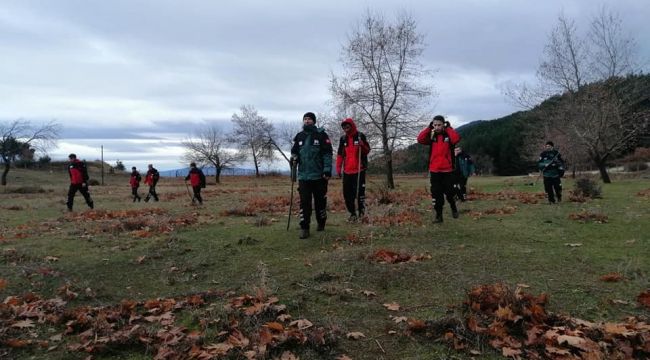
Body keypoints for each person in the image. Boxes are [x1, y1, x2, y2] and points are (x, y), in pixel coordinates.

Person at [290, 112, 333, 239]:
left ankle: (321, 222)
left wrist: (327, 170)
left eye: (309, 119)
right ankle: (304, 228)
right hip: (304, 176)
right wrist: (294, 158)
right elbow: (294, 152)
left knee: (320, 202)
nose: (307, 121)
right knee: (304, 203)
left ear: (314, 121)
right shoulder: (299, 136)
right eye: (305, 119)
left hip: (319, 176)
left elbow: (327, 154)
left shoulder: (321, 135)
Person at [417, 115, 461, 223]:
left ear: (443, 124)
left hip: (447, 170)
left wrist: (448, 128)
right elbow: (420, 139)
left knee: (450, 193)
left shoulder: (448, 135)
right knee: (437, 195)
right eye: (435, 125)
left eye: (439, 125)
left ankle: (453, 207)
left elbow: (456, 138)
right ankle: (439, 216)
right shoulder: (432, 136)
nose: (437, 127)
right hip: (434, 171)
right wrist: (428, 128)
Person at [336, 118, 371, 222]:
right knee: (347, 194)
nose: (345, 128)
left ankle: (362, 214)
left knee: (360, 193)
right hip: (347, 171)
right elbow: (340, 155)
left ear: (352, 125)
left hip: (359, 170)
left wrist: (362, 145)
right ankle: (352, 214)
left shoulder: (360, 136)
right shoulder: (343, 139)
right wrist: (338, 167)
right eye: (343, 126)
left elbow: (367, 150)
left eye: (347, 126)